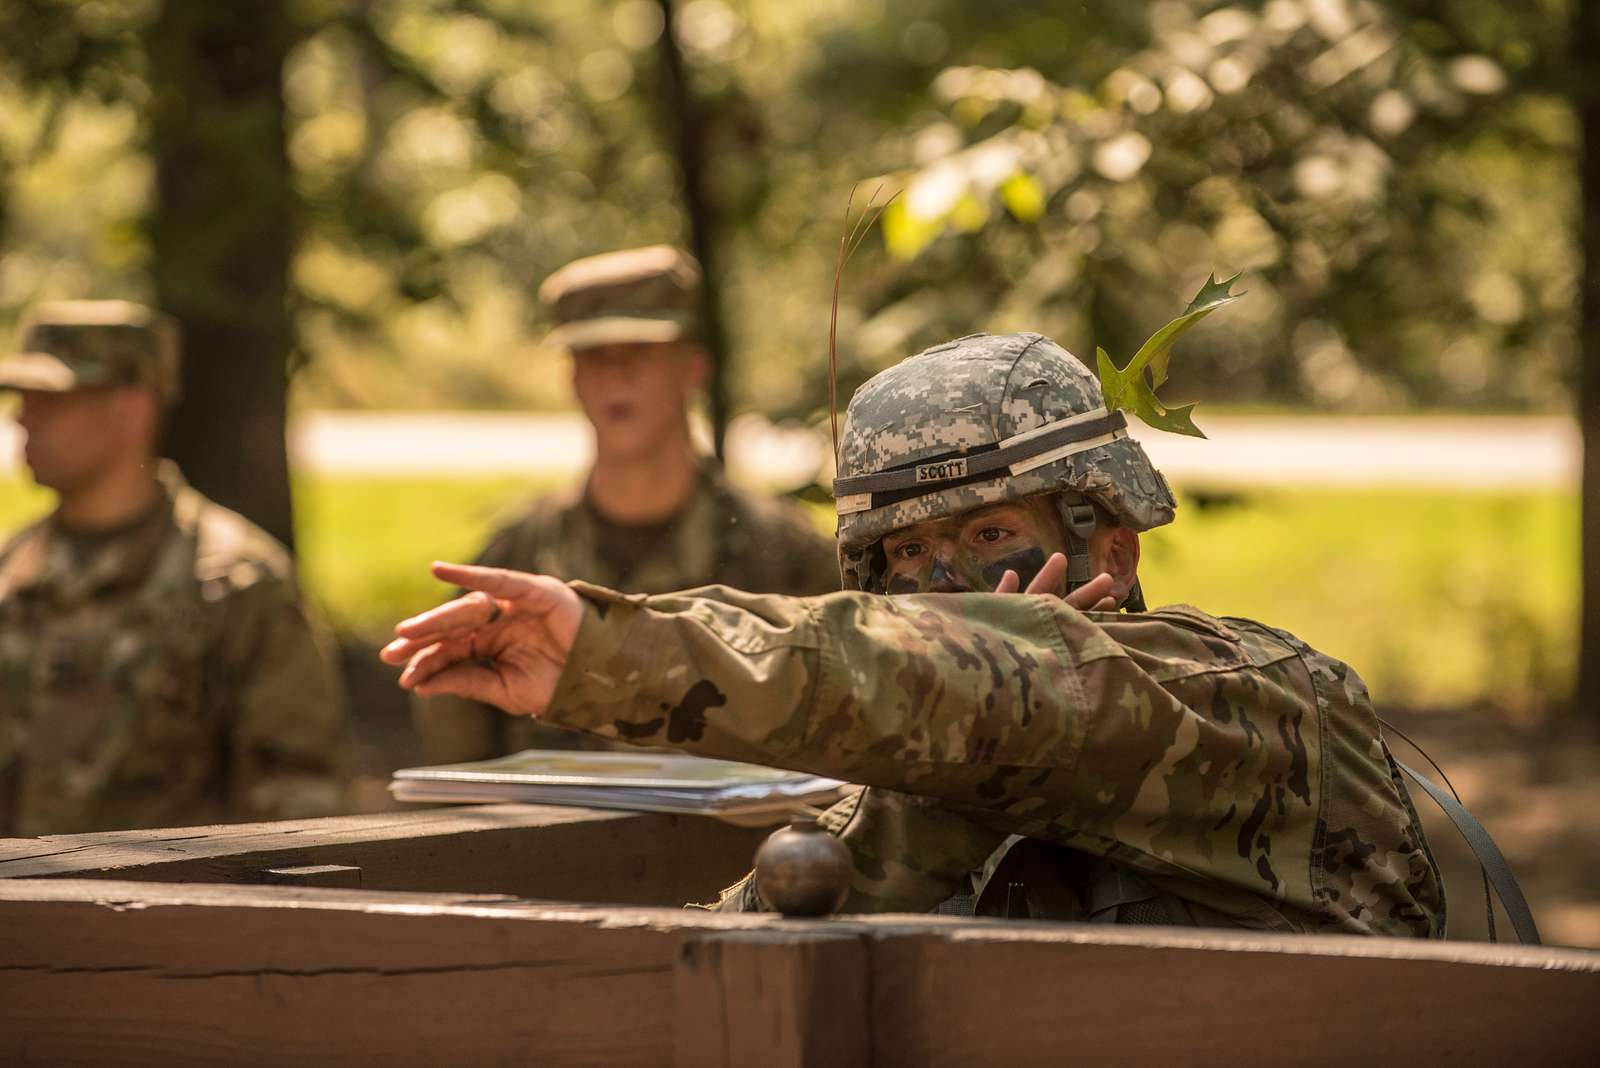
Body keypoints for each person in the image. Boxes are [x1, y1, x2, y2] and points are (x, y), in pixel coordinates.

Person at [382, 331, 1443, 937]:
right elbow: (747, 943)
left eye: (987, 533)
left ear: (1108, 549)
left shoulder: (1234, 697)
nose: (940, 582)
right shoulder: (932, 776)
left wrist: (617, 654)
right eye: (903, 555)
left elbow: (973, 689)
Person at [413, 245, 839, 761]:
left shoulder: (786, 558)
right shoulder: (516, 563)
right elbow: (460, 772)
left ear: (693, 368)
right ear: (572, 379)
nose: (617, 375)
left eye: (639, 349)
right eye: (594, 355)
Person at [0, 300, 348, 835]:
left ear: (131, 411)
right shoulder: (12, 569)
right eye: (24, 398)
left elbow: (299, 801)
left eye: (52, 400)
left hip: (165, 912)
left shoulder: (233, 583)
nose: (23, 417)